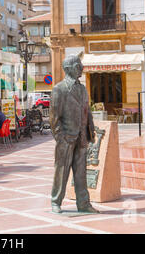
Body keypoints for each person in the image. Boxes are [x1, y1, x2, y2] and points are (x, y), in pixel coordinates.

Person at [50, 54, 99, 214]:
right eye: (78, 65)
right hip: (66, 138)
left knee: (81, 173)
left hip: (82, 137)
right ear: (68, 69)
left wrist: (90, 131)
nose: (82, 68)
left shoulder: (83, 88)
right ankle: (56, 201)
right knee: (61, 171)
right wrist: (61, 138)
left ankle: (84, 203)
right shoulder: (59, 89)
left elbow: (87, 111)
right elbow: (54, 118)